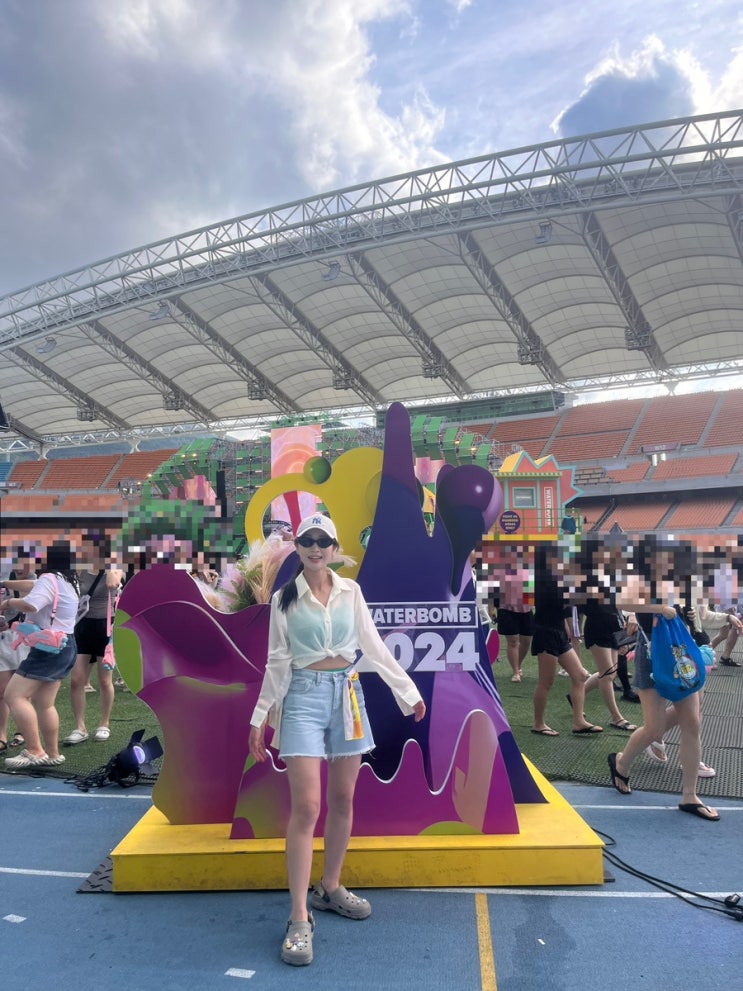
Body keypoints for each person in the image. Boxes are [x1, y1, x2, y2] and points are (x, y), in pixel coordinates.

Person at [248, 514, 426, 967]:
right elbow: (276, 662)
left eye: (322, 541)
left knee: (343, 798)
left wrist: (407, 692)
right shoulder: (284, 599)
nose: (314, 547)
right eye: (307, 540)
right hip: (303, 699)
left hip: (348, 695)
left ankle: (329, 887)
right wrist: (259, 717)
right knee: (307, 807)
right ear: (298, 547)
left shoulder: (352, 592)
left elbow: (374, 646)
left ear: (333, 547)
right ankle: (298, 916)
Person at [607, 538, 719, 821]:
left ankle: (690, 795)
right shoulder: (639, 581)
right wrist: (659, 608)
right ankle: (621, 762)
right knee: (654, 729)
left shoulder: (677, 582)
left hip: (680, 655)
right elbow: (622, 602)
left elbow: (683, 614)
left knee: (692, 722)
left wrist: (686, 614)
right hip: (651, 656)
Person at [1, 542, 79, 770]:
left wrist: (7, 602)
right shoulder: (67, 580)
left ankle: (35, 750)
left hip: (47, 648)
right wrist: (4, 583)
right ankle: (53, 754)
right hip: (66, 645)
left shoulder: (48, 579)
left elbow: (31, 604)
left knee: (14, 695)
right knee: (45, 703)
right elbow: (34, 585)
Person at [530, 543, 599, 737]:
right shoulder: (544, 580)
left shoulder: (557, 577)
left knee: (579, 675)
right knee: (546, 682)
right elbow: (565, 601)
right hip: (546, 633)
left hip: (558, 632)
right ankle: (538, 723)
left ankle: (579, 721)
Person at [64, 533, 124, 745]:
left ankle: (104, 723)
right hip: (82, 625)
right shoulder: (79, 570)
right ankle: (80, 727)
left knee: (105, 680)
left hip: (105, 626)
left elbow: (113, 583)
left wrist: (108, 564)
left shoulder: (114, 567)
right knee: (76, 680)